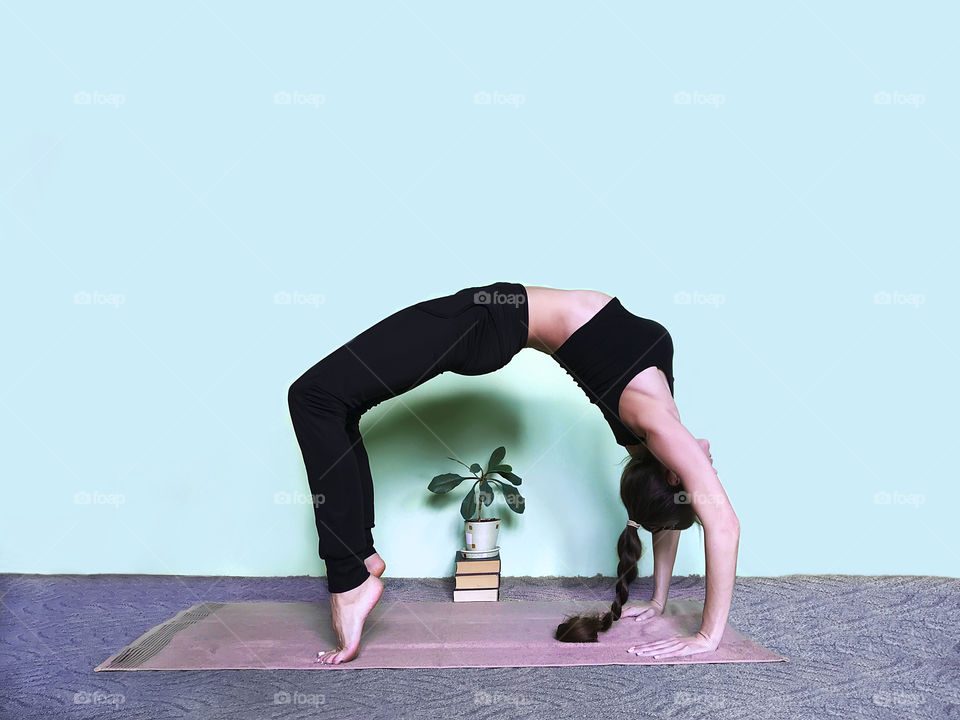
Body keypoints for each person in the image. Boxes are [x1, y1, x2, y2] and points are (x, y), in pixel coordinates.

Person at [287, 282, 738, 664]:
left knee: (314, 397)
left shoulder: (657, 429)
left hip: (486, 322)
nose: (709, 470)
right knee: (336, 402)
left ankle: (350, 584)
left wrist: (706, 636)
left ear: (677, 474)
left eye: (699, 478)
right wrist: (658, 602)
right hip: (494, 317)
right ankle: (360, 557)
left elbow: (724, 525)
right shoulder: (657, 435)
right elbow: (667, 511)